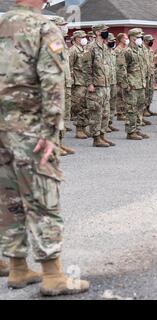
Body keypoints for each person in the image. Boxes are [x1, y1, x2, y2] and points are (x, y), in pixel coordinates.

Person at [0, 0, 89, 296]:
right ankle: (53, 276)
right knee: (42, 198)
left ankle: (17, 268)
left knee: (9, 198)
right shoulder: (43, 28)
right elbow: (52, 82)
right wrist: (51, 132)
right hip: (30, 129)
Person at [86, 24, 116, 147]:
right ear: (97, 32)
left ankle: (103, 135)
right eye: (104, 31)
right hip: (96, 85)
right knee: (96, 112)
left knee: (105, 112)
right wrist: (89, 83)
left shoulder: (104, 47)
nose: (107, 33)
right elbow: (86, 67)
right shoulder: (91, 47)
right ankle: (96, 138)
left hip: (106, 85)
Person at [50, 16, 75, 157]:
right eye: (61, 25)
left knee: (64, 115)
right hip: (56, 85)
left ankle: (60, 142)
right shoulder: (53, 43)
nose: (65, 28)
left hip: (65, 83)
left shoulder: (62, 43)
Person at [118, 28, 149, 140]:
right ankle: (130, 132)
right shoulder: (126, 51)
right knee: (131, 108)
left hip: (140, 84)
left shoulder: (141, 50)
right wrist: (126, 85)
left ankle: (137, 129)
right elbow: (121, 69)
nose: (140, 39)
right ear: (132, 37)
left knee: (140, 108)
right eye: (138, 36)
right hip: (131, 85)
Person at [106, 33, 120, 133]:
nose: (113, 43)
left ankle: (109, 123)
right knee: (105, 104)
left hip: (113, 81)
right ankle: (104, 124)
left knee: (112, 104)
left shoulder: (113, 53)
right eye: (111, 41)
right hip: (105, 82)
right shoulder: (103, 52)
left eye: (114, 41)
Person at [114, 33, 129, 121]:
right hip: (119, 76)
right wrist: (119, 78)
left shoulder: (126, 49)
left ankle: (123, 112)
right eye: (125, 38)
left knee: (125, 95)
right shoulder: (117, 50)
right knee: (120, 95)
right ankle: (120, 113)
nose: (127, 39)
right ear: (120, 39)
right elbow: (117, 65)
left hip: (125, 75)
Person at [143, 34, 157, 118]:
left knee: (150, 92)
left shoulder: (150, 50)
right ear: (145, 41)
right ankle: (144, 110)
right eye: (150, 40)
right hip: (145, 75)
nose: (151, 42)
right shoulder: (143, 50)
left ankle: (148, 108)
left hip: (151, 74)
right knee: (145, 93)